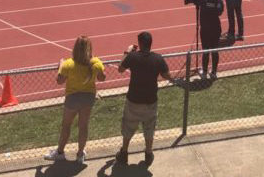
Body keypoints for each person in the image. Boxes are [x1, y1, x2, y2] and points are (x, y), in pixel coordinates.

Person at [45, 36, 106, 164]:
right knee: (83, 126)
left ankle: (60, 152)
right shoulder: (96, 63)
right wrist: (98, 67)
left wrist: (60, 66)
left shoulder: (68, 64)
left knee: (66, 126)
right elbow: (102, 78)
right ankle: (80, 154)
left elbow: (59, 81)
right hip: (88, 98)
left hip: (72, 98)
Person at [115, 32, 171, 167]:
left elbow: (120, 69)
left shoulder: (132, 57)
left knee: (128, 127)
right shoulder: (158, 58)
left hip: (133, 99)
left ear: (139, 43)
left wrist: (126, 52)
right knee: (149, 128)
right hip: (150, 100)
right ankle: (148, 153)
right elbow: (167, 75)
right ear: (151, 43)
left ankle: (124, 153)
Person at [188, 0, 224, 79]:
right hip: (216, 29)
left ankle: (204, 72)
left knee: (206, 51)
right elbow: (219, 12)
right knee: (215, 50)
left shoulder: (203, 1)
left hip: (205, 30)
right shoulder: (220, 2)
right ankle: (214, 72)